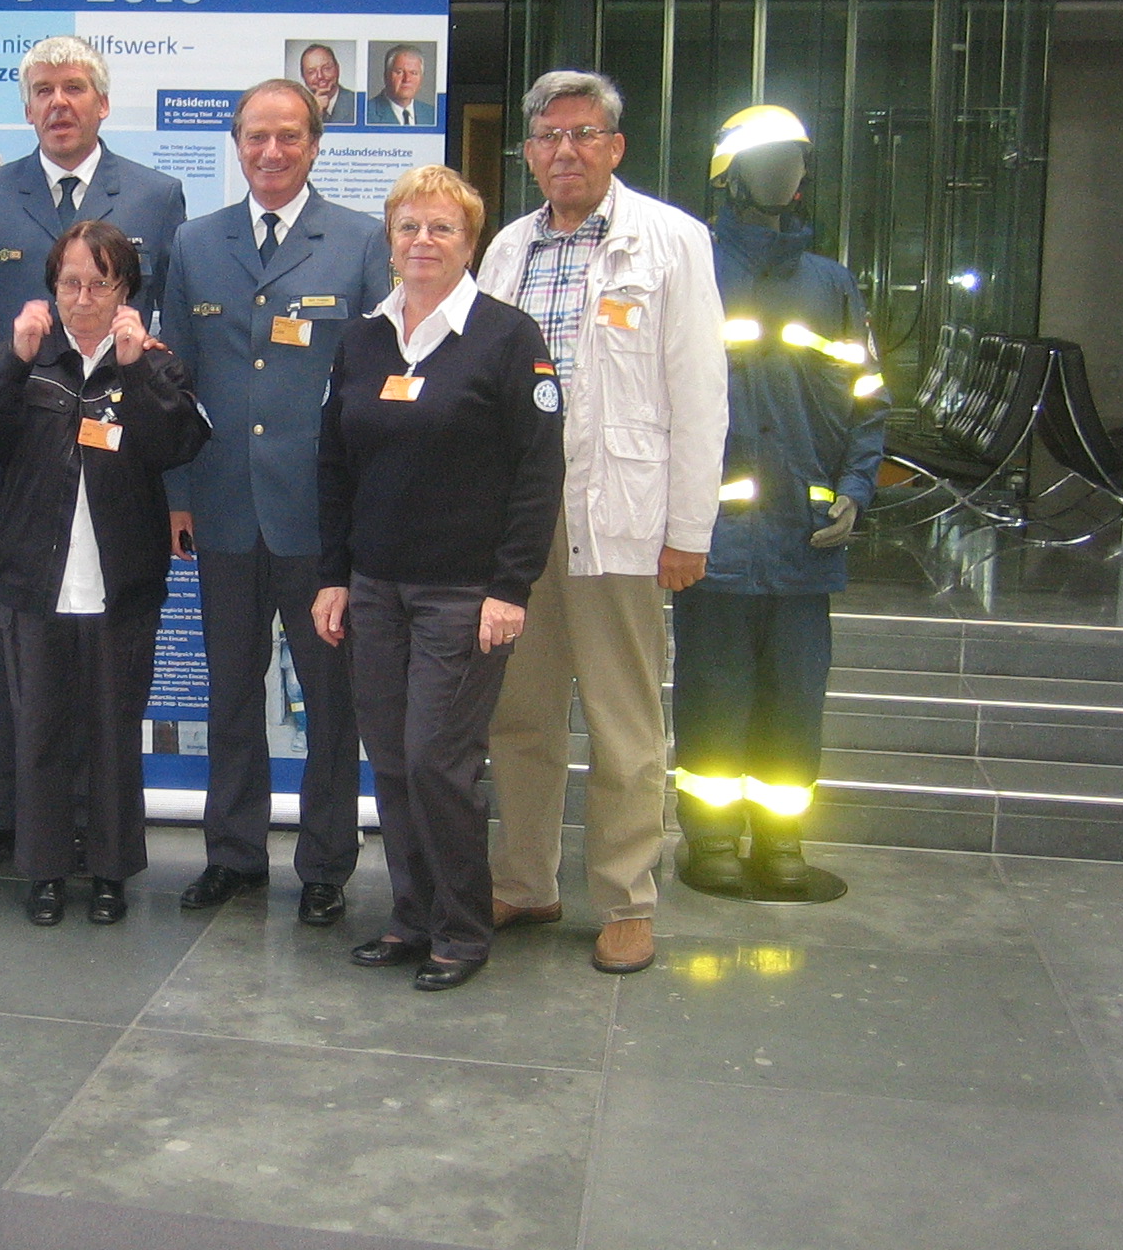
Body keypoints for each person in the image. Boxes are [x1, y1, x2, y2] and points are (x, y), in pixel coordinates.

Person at [477, 69, 728, 975]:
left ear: (615, 147)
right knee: (520, 714)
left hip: (620, 515)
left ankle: (626, 899)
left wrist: (689, 529)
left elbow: (701, 393)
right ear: (529, 153)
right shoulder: (507, 249)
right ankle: (524, 881)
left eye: (583, 134)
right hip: (518, 523)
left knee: (624, 722)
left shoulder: (670, 241)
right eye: (548, 136)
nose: (565, 151)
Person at [0, 37, 187, 877]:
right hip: (11, 465)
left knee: (103, 663)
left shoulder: (156, 196)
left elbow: (168, 342)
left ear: (102, 104)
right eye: (43, 89)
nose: (59, 102)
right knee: (6, 652)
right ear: (26, 106)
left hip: (115, 476)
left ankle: (88, 826)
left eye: (75, 88)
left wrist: (178, 485)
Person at [314, 165, 565, 991]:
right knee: (390, 759)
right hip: (375, 589)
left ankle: (462, 929)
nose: (423, 241)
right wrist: (334, 576)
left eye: (442, 228)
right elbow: (333, 467)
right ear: (390, 242)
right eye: (409, 227)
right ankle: (412, 917)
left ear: (470, 243)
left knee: (437, 761)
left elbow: (538, 474)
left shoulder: (508, 338)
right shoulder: (362, 340)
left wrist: (511, 588)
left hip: (464, 594)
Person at [161, 78, 393, 926]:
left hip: (320, 520)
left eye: (289, 136)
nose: (271, 151)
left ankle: (326, 864)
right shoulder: (196, 242)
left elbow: (376, 388)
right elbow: (173, 382)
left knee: (331, 701)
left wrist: (363, 516)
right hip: (222, 508)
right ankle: (233, 854)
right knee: (230, 693)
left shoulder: (362, 242)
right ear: (236, 145)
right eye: (256, 136)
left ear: (315, 145)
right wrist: (177, 496)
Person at [0, 220, 209, 926]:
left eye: (100, 284)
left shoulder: (152, 362)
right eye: (70, 284)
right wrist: (12, 357)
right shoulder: (30, 358)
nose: (83, 299)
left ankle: (112, 871)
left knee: (115, 731)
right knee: (40, 730)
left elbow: (177, 442)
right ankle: (46, 870)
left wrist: (138, 368)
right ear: (51, 289)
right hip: (34, 577)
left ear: (126, 292)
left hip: (123, 579)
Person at [672, 106, 888, 893]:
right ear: (729, 174)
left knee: (795, 704)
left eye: (793, 160)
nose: (783, 173)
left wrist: (856, 491)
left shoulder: (830, 285)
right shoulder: (689, 271)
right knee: (712, 697)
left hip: (803, 539)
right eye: (767, 160)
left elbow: (866, 401)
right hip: (714, 540)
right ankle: (710, 842)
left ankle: (781, 843)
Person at [365, 46, 436, 127]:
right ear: (386, 76)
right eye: (399, 72)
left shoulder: (433, 115)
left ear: (421, 78)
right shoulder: (365, 114)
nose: (407, 79)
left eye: (413, 73)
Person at [298, 44, 358, 127]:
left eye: (326, 68)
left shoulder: (358, 103)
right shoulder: (298, 108)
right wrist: (314, 112)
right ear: (303, 76)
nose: (320, 76)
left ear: (337, 69)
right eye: (311, 72)